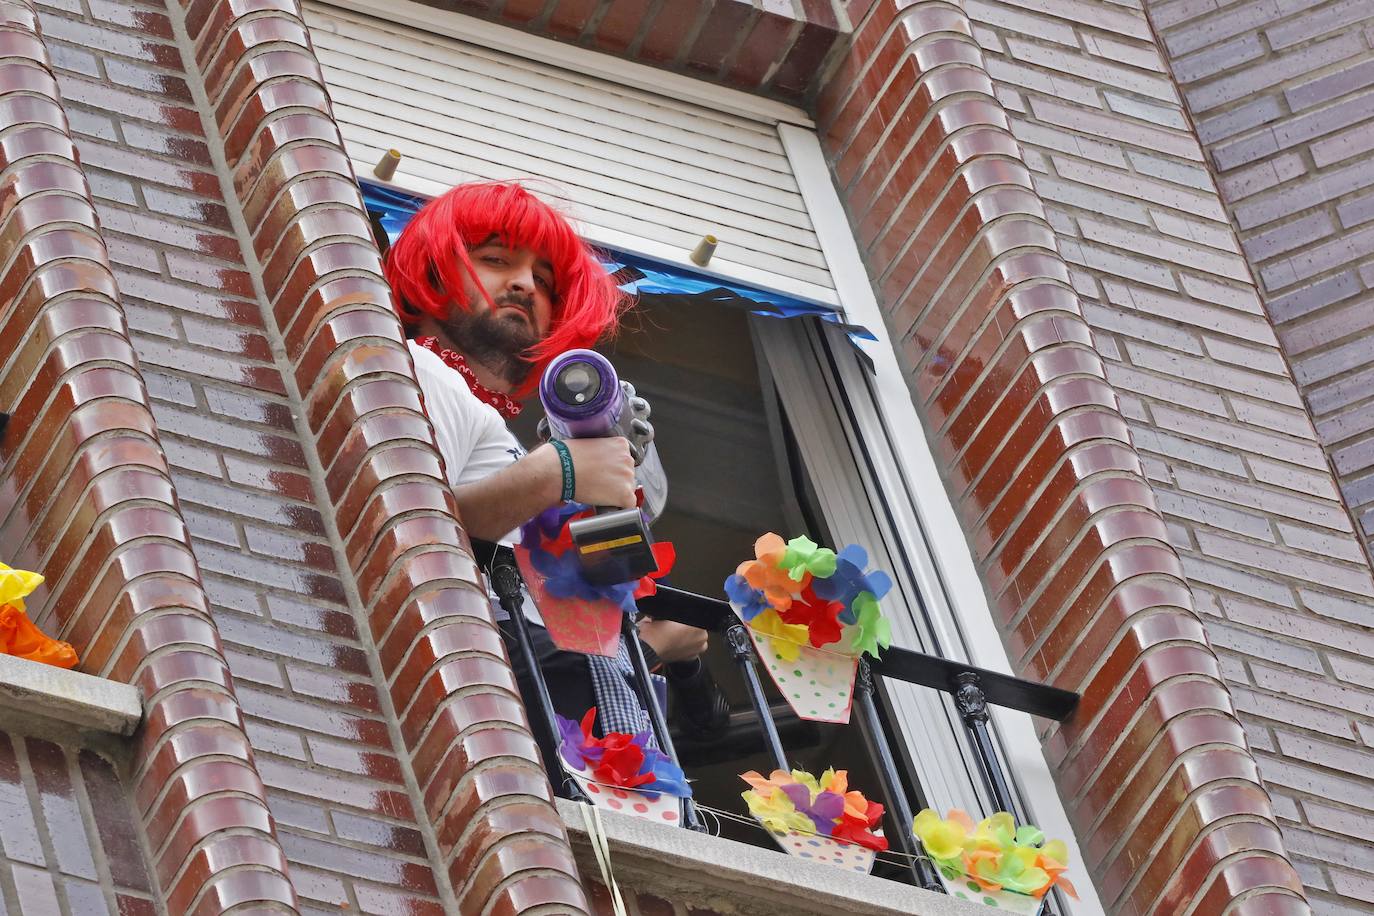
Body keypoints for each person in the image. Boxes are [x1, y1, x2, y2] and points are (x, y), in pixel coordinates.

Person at [381, 181, 711, 776]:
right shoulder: (423, 370)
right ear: (431, 268)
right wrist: (562, 467)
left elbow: (607, 604)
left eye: (545, 280)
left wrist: (652, 642)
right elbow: (416, 524)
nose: (524, 284)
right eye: (495, 259)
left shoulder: (499, 431)